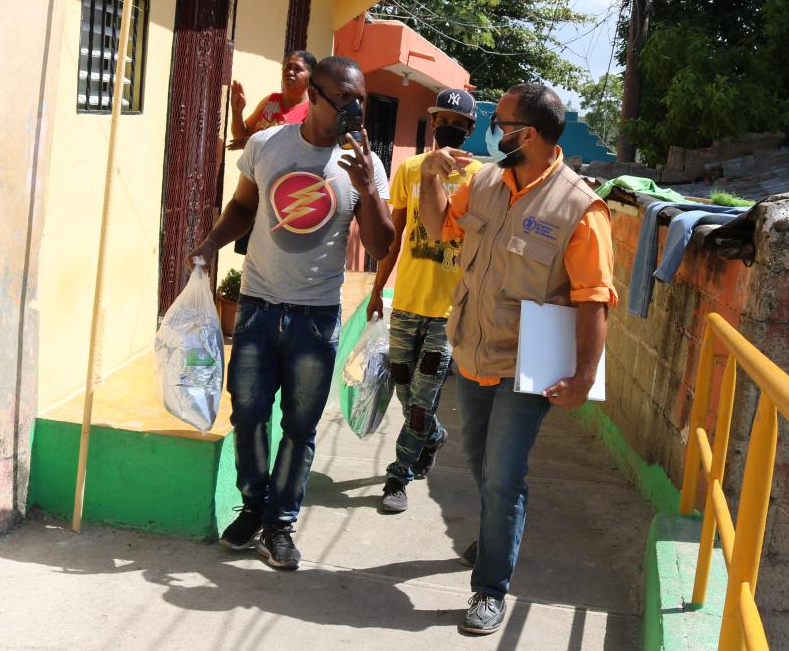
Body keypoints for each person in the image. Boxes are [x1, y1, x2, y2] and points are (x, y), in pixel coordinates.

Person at [417, 83, 615, 635]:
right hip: (472, 353)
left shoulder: (580, 207)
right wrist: (432, 176)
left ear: (526, 135)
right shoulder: (483, 183)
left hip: (526, 365)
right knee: (481, 464)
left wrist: (584, 375)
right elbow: (438, 228)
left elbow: (594, 297)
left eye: (499, 121)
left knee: (504, 475)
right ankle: (496, 535)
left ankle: (489, 588)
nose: (490, 129)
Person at [190, 56, 393, 571]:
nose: (354, 107)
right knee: (249, 415)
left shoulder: (365, 162)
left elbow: (381, 242)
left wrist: (369, 186)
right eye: (345, 97)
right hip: (257, 308)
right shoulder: (267, 144)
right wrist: (211, 244)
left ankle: (280, 524)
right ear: (318, 96)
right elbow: (243, 207)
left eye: (361, 99)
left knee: (300, 429)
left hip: (316, 317)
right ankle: (254, 506)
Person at [366, 88, 481, 514]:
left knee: (422, 398)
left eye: (458, 121)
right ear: (432, 125)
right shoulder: (411, 169)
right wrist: (377, 291)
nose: (447, 126)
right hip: (407, 302)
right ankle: (432, 438)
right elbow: (394, 237)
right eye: (441, 119)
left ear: (470, 129)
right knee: (403, 387)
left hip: (448, 312)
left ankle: (399, 475)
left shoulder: (481, 179)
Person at [227, 50, 316, 150]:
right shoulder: (271, 101)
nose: (290, 72)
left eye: (297, 69)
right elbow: (240, 138)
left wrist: (254, 142)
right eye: (288, 67)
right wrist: (237, 112)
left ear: (311, 78)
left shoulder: (311, 111)